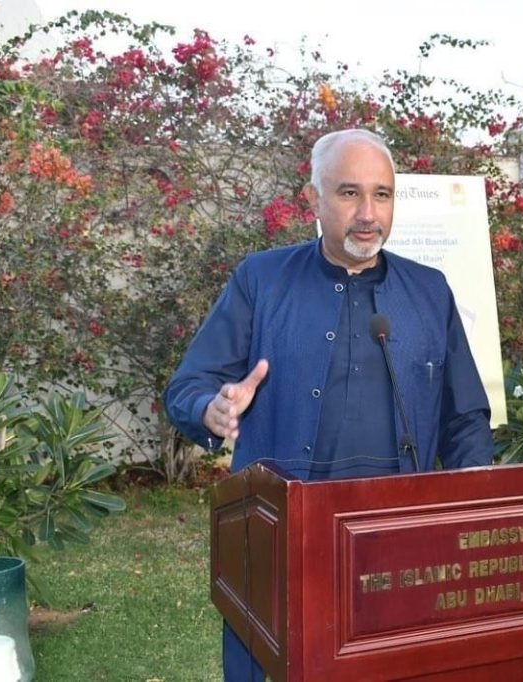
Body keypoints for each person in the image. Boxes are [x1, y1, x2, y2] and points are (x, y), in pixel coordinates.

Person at [162, 128, 494, 681]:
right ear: (312, 199)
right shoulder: (261, 280)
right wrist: (211, 410)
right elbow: (188, 386)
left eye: (382, 194)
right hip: (279, 529)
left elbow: (464, 416)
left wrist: (477, 500)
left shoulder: (430, 290)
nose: (368, 213)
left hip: (396, 536)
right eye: (348, 193)